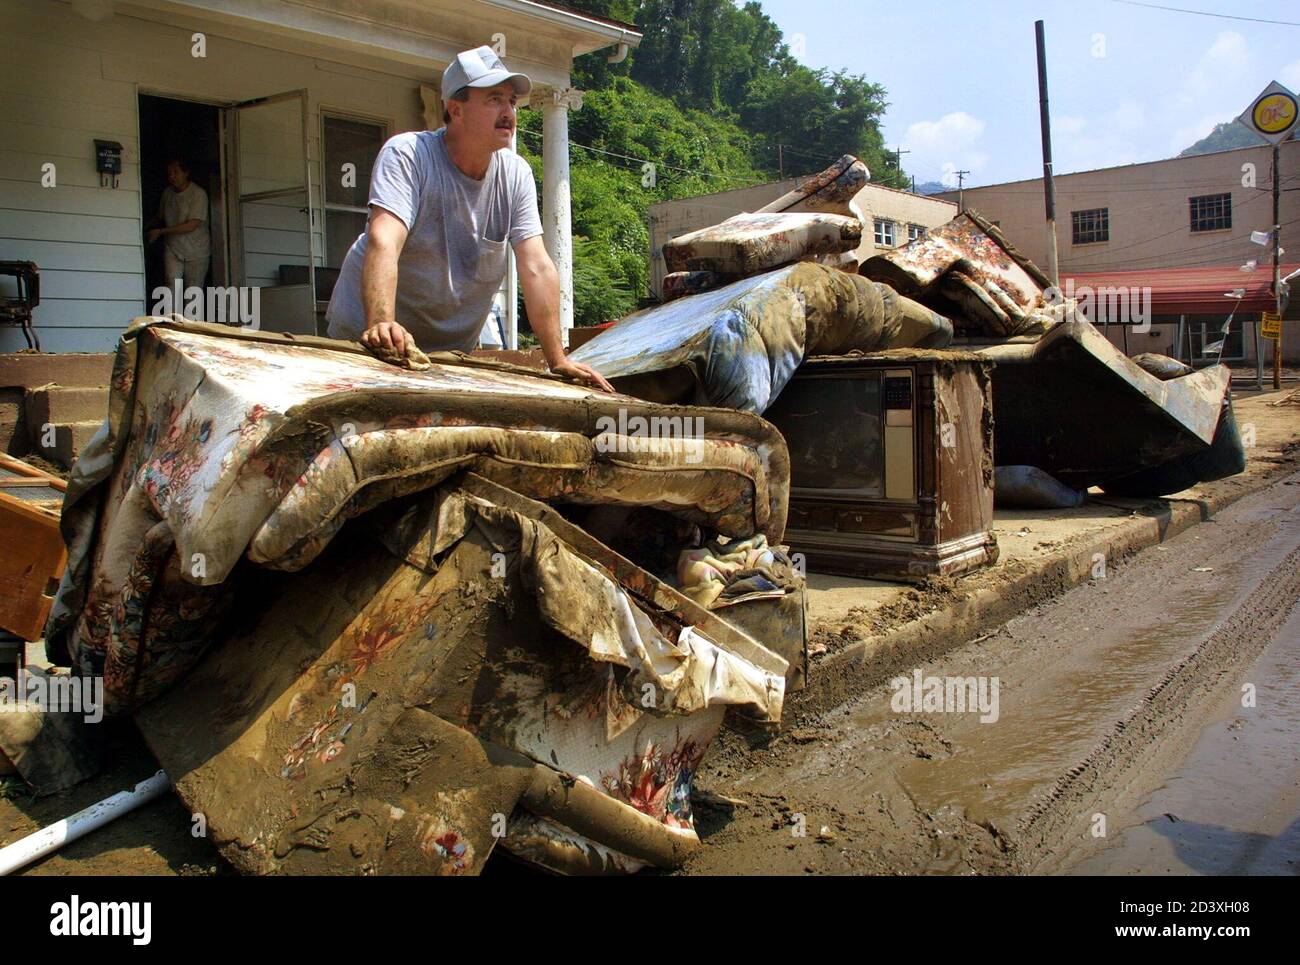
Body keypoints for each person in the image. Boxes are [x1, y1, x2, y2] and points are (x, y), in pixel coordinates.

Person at [325, 45, 612, 391]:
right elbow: (384, 239)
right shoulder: (408, 156)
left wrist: (558, 360)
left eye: (511, 101)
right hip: (367, 338)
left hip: (449, 354)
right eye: (494, 99)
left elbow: (536, 265)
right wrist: (382, 323)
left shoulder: (515, 174)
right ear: (456, 109)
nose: (508, 111)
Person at [146, 156, 210, 293]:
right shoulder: (167, 193)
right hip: (173, 248)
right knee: (171, 286)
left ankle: (190, 316)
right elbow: (160, 216)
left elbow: (191, 225)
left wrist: (160, 232)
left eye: (176, 172)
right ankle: (173, 315)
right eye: (169, 173)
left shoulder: (198, 194)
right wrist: (144, 227)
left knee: (193, 291)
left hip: (196, 251)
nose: (172, 176)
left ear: (186, 173)